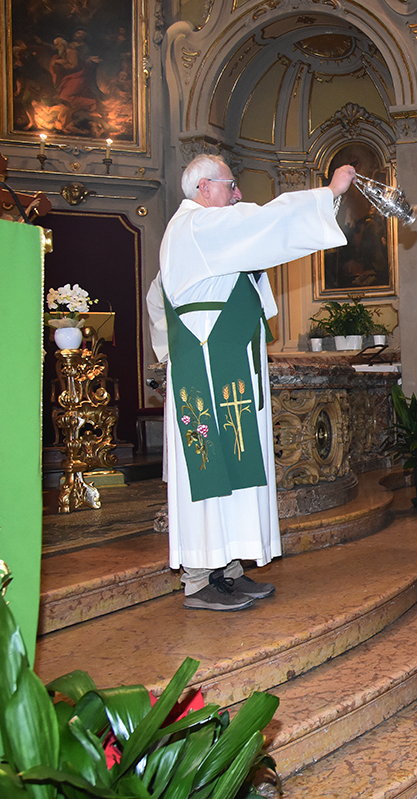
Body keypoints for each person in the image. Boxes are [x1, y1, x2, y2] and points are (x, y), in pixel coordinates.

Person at [146, 154, 356, 610]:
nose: (237, 193)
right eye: (230, 185)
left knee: (235, 472)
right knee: (211, 470)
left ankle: (229, 570)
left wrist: (173, 346)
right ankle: (201, 581)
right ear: (204, 188)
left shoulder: (201, 234)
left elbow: (156, 297)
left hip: (224, 369)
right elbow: (264, 224)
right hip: (208, 374)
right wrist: (329, 193)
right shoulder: (196, 227)